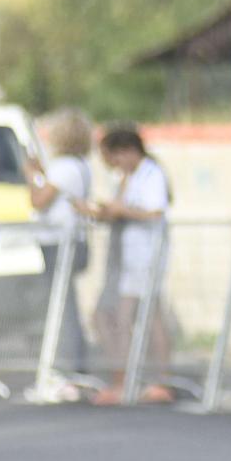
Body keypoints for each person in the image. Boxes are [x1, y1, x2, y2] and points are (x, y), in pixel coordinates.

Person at [84, 123, 173, 406]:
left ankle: (143, 380)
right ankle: (137, 378)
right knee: (134, 318)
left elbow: (155, 212)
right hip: (129, 259)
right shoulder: (128, 178)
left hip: (145, 257)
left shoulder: (151, 174)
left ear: (127, 151)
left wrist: (122, 210)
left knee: (134, 319)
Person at [25, 109, 94, 389]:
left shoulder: (65, 166)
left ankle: (68, 371)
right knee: (64, 305)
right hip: (66, 242)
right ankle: (70, 368)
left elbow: (39, 200)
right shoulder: (75, 165)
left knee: (62, 308)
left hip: (62, 244)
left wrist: (32, 177)